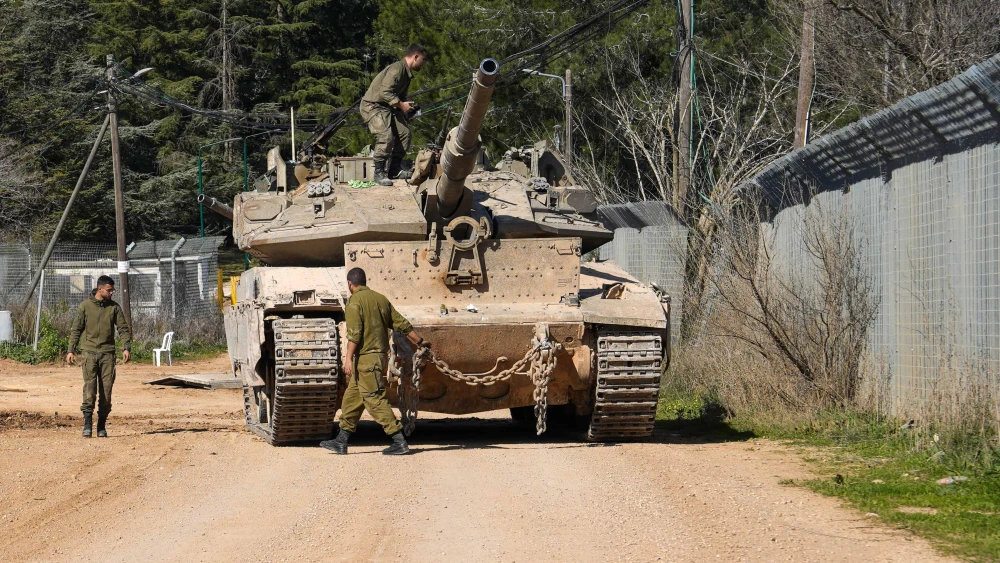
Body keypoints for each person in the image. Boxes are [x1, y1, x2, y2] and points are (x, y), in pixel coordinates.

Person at [321, 267, 428, 455]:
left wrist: (347, 359)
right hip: (377, 358)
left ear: (350, 284)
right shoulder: (381, 299)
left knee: (374, 399)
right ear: (364, 281)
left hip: (365, 360)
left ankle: (398, 440)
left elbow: (354, 334)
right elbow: (401, 323)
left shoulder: (354, 302)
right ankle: (341, 440)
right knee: (352, 398)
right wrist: (419, 341)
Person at [66, 275, 132, 438]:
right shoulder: (85, 306)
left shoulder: (114, 307)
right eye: (109, 290)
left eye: (112, 290)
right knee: (89, 390)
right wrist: (70, 350)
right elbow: (76, 329)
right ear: (100, 289)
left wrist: (126, 347)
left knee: (106, 392)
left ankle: (101, 425)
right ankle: (87, 424)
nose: (112, 293)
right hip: (89, 353)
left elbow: (123, 328)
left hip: (108, 354)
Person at [361, 43, 428, 186]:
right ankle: (378, 173)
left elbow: (399, 96)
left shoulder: (407, 74)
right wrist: (401, 105)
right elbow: (385, 92)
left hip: (388, 108)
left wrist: (407, 108)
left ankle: (394, 170)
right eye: (423, 59)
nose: (423, 63)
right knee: (386, 136)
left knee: (405, 134)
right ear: (415, 57)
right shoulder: (397, 69)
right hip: (373, 106)